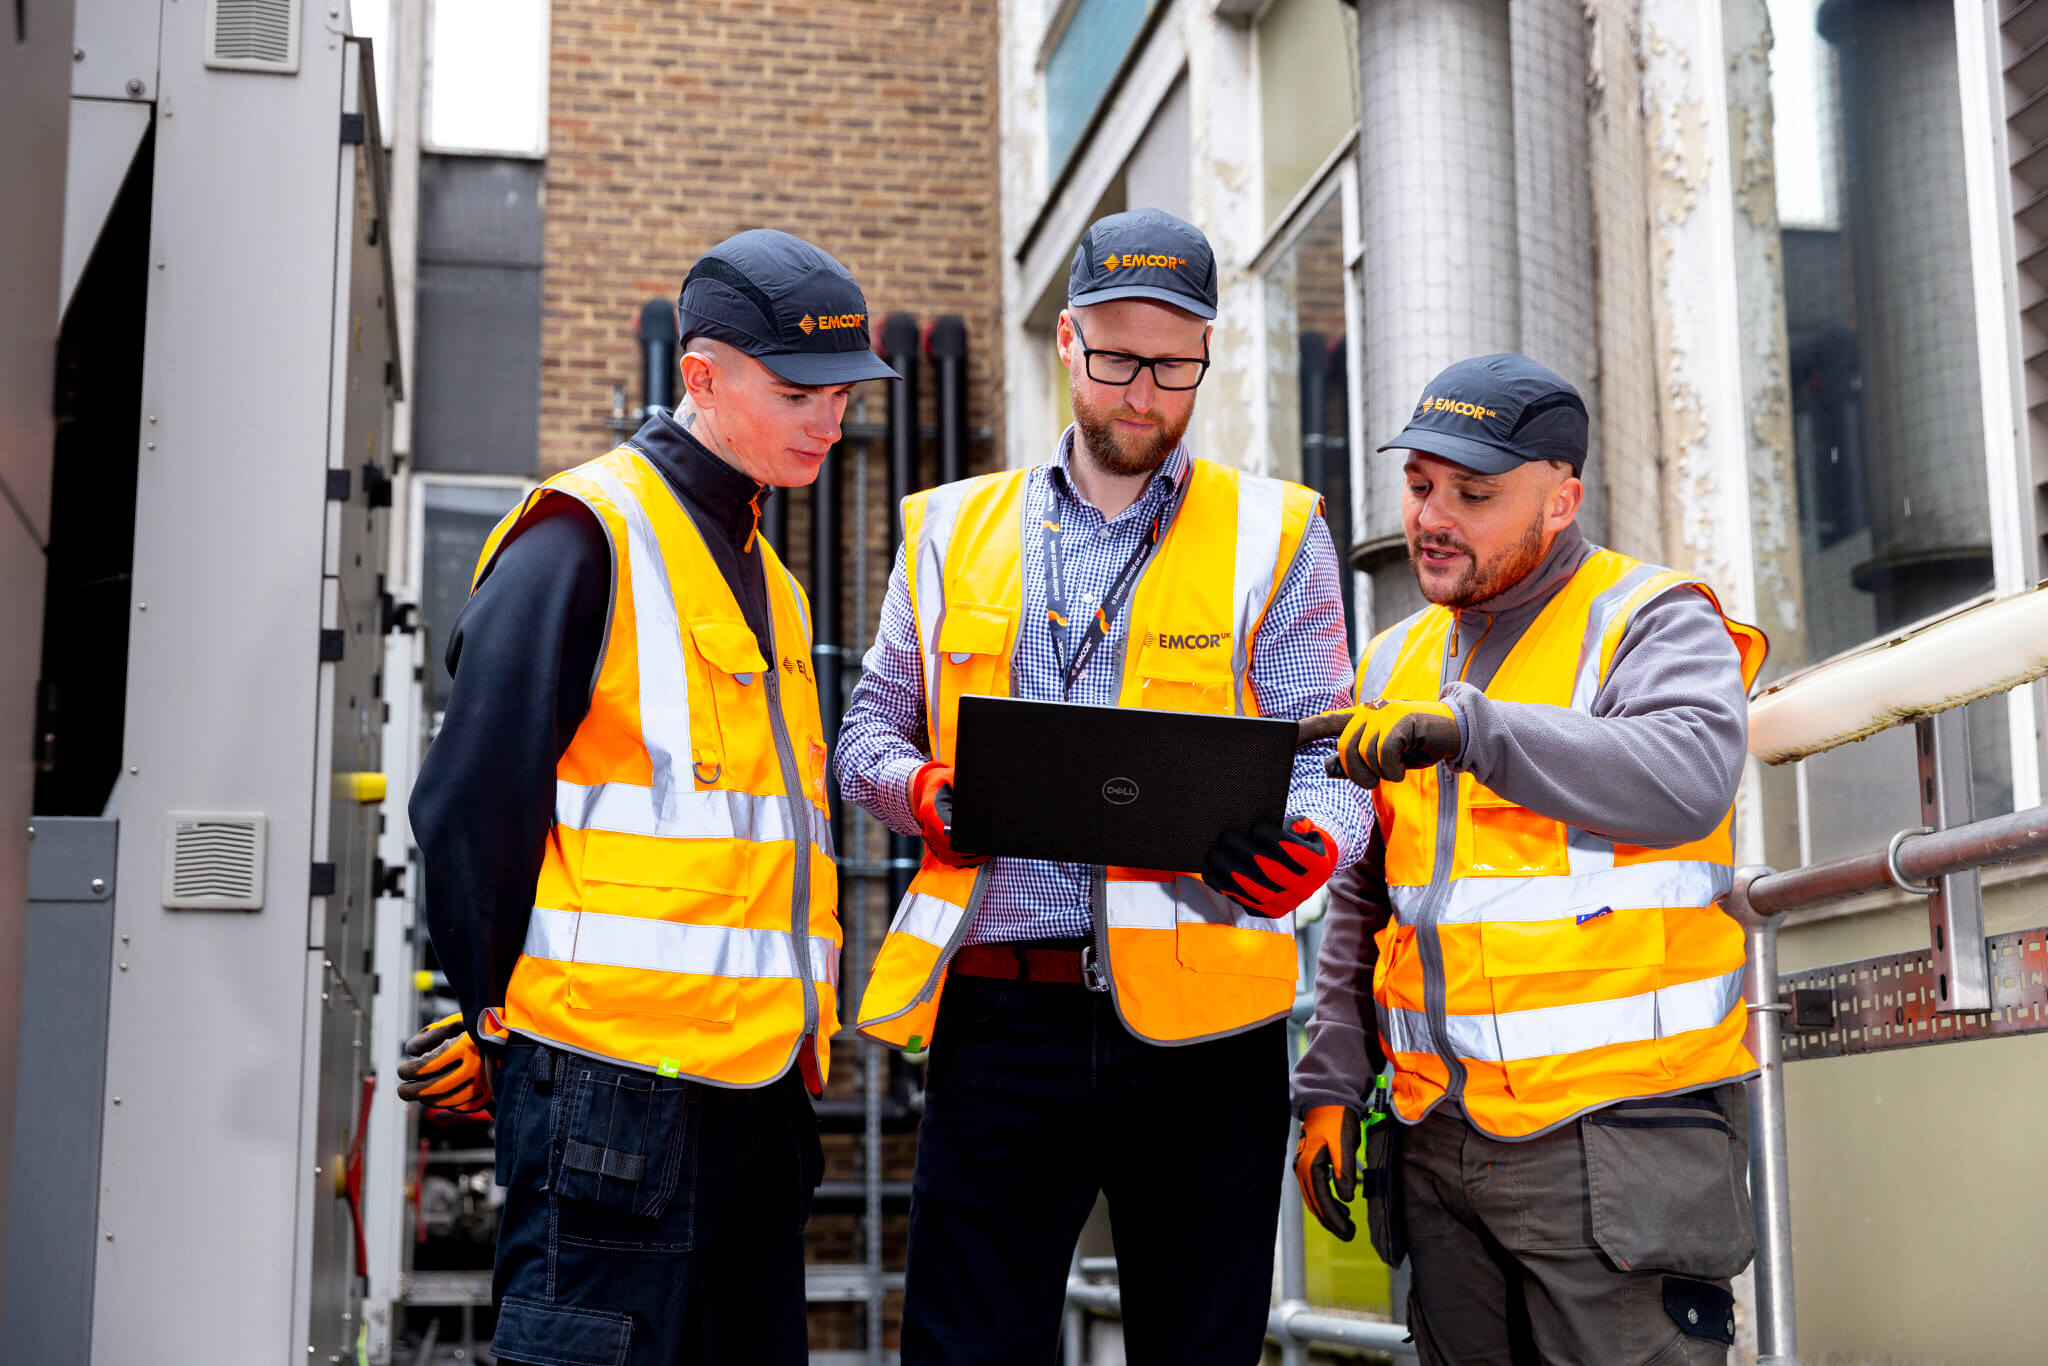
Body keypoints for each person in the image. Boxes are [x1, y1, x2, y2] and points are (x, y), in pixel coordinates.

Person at [835, 207, 1367, 1365]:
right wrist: (922, 792)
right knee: (965, 1349)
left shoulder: (1277, 534)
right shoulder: (942, 531)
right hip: (997, 1010)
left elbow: (1331, 759)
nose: (1144, 394)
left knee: (1202, 1348)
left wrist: (1313, 848)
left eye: (1175, 366)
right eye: (1119, 358)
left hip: (1205, 1027)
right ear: (1065, 342)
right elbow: (862, 733)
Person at [401, 229, 901, 1366]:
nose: (828, 419)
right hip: (610, 1091)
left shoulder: (763, 572)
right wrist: (488, 1013)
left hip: (754, 1097)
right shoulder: (583, 534)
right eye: (797, 392)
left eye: (843, 394)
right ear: (700, 375)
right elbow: (469, 805)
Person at [1291, 353, 1769, 1364]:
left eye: (1472, 493)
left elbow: (1688, 772)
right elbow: (1371, 892)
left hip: (1614, 1137)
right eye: (1419, 485)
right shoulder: (1391, 659)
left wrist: (1474, 733)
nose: (1431, 516)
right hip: (1433, 1141)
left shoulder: (1647, 616)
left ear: (1559, 501)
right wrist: (1331, 1075)